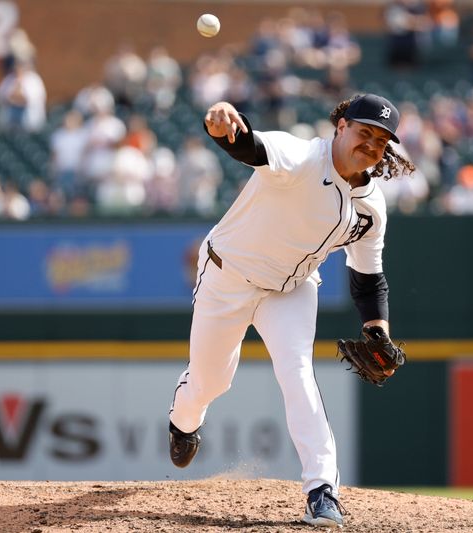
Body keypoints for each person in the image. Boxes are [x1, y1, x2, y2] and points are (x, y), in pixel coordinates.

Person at [167, 94, 413, 528]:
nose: (371, 144)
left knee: (297, 372)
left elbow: (368, 276)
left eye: (381, 139)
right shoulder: (301, 155)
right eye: (363, 132)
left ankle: (322, 491)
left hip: (291, 290)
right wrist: (224, 122)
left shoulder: (371, 207)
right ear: (340, 127)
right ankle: (183, 422)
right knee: (212, 381)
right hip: (229, 276)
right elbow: (249, 146)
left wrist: (377, 329)